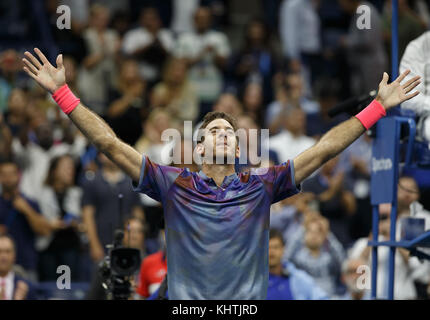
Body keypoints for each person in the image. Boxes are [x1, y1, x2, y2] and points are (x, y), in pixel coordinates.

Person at [22, 47, 420, 299]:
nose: (225, 136)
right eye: (215, 132)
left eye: (230, 132)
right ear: (199, 149)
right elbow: (110, 144)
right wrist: (62, 93)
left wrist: (377, 108)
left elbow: (325, 149)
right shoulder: (173, 183)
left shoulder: (262, 185)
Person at [0, 160, 54, 281]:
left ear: (18, 176)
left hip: (26, 265)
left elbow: (45, 232)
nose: (8, 178)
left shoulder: (30, 203)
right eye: (4, 174)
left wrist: (27, 210)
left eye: (11, 174)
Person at [36, 155, 83, 281]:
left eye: (72, 168)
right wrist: (50, 224)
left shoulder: (77, 193)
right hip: (48, 246)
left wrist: (77, 224)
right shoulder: (41, 194)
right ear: (54, 171)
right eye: (66, 167)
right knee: (49, 286)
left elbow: (83, 221)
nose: (70, 171)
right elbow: (36, 221)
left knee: (66, 286)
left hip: (69, 247)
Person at [267, 229, 328, 300]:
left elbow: (321, 297)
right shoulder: (254, 282)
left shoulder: (297, 277)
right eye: (268, 248)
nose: (271, 252)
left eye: (276, 247)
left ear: (283, 249)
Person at [0, 235, 37, 300]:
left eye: (8, 251)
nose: (4, 257)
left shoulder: (27, 288)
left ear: (14, 255)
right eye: (0, 251)